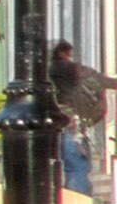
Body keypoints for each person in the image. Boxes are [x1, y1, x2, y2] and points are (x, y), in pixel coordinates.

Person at [44, 43, 109, 193]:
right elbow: (96, 79)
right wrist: (116, 83)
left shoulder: (48, 72)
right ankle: (77, 199)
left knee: (70, 162)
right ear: (63, 53)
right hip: (69, 122)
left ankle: (72, 195)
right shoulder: (65, 69)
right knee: (77, 164)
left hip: (56, 122)